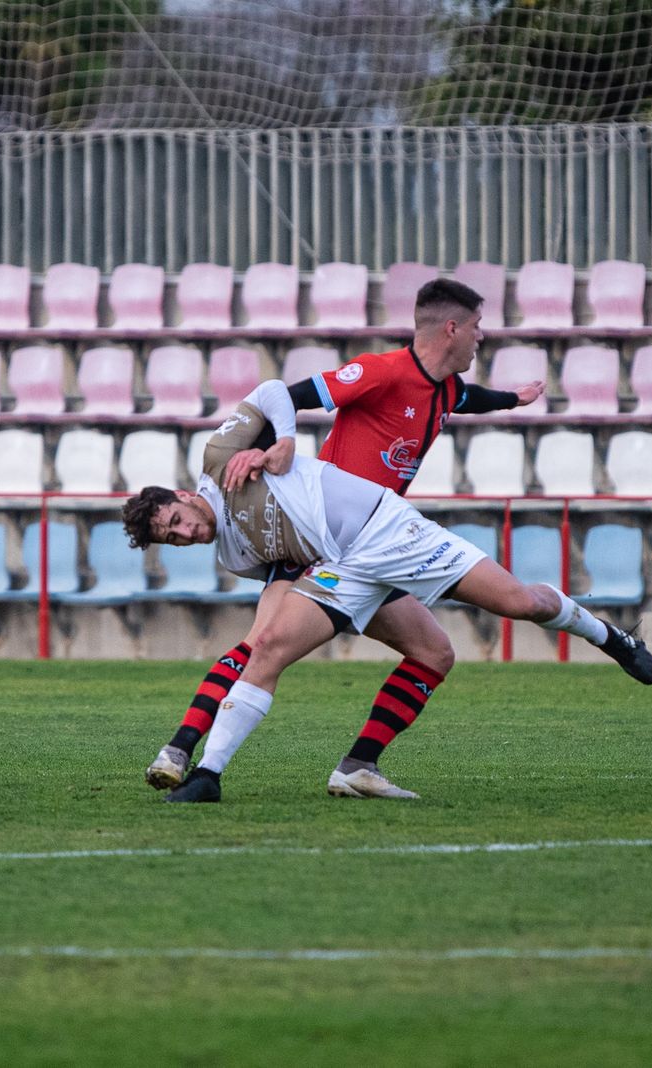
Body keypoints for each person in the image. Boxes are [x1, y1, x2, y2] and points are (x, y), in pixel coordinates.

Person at [122, 377, 652, 803]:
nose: (185, 534)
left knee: (520, 604)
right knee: (273, 648)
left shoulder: (223, 460)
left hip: (388, 531)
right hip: (344, 568)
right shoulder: (234, 556)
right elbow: (286, 570)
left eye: (178, 520)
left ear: (184, 495)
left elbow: (272, 391)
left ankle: (608, 635)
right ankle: (221, 775)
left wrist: (282, 440)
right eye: (173, 539)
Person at [144, 278, 544, 800]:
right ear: (452, 328)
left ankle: (357, 767)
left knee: (430, 652)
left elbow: (469, 399)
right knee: (262, 647)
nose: (481, 336)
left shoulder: (446, 387)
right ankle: (184, 754)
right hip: (325, 535)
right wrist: (268, 446)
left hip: (377, 543)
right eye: (476, 327)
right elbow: (288, 396)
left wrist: (514, 399)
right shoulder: (380, 371)